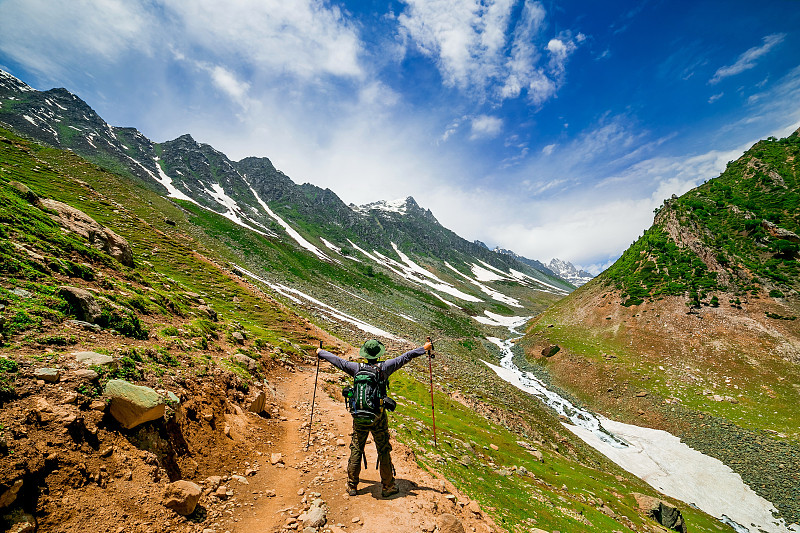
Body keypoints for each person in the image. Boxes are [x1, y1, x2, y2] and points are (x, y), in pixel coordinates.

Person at [316, 338, 433, 498]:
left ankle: (352, 486)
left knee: (357, 448)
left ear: (365, 354)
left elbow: (338, 362)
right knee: (383, 449)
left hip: (359, 416)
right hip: (378, 416)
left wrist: (321, 352)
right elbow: (406, 357)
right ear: (379, 354)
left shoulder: (356, 368)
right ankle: (388, 486)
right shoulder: (384, 367)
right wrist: (424, 348)